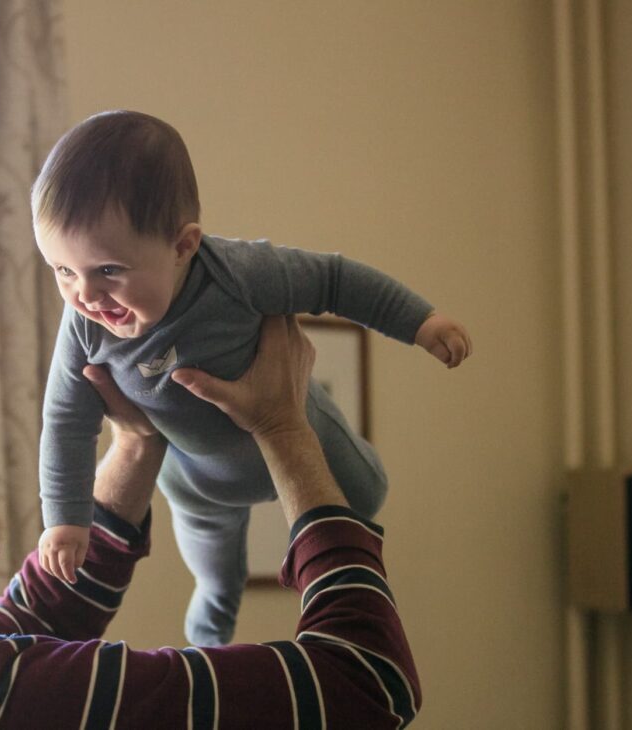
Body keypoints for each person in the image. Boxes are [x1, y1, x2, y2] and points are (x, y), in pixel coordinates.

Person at [0, 315, 421, 728]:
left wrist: (136, 443)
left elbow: (42, 609)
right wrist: (284, 428)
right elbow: (365, 685)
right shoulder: (3, 701)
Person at [33, 109, 473, 646]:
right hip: (198, 482)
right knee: (217, 579)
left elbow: (335, 280)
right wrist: (66, 519)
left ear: (182, 246)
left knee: (368, 494)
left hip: (299, 429)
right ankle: (209, 645)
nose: (85, 295)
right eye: (62, 271)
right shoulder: (83, 327)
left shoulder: (238, 274)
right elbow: (65, 422)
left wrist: (421, 322)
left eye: (108, 270)